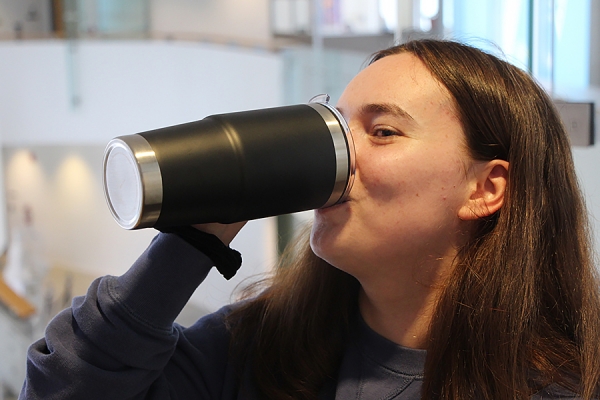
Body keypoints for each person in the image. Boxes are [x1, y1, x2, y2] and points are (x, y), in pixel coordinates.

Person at [19, 39, 600, 399]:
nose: (340, 157)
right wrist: (196, 238)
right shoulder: (257, 350)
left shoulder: (557, 389)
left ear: (485, 188)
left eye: (382, 132)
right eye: (338, 127)